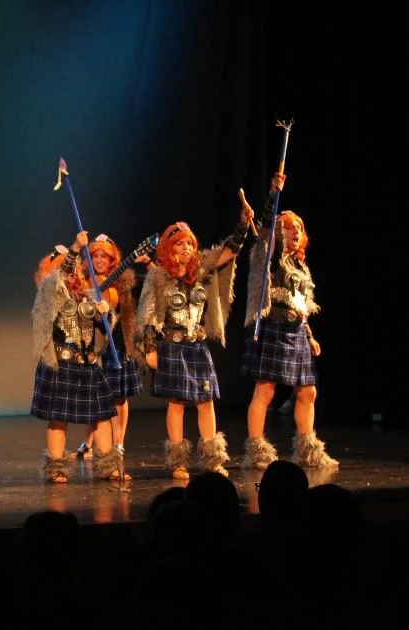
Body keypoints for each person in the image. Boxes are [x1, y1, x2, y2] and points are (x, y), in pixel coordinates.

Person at [134, 209, 250, 479]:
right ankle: (177, 462)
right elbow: (147, 313)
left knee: (205, 401)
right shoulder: (158, 276)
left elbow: (227, 252)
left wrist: (243, 225)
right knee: (176, 403)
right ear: (169, 247)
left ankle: (212, 459)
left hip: (197, 346)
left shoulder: (200, 269)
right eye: (180, 244)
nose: (187, 248)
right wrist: (150, 348)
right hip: (172, 346)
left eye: (190, 243)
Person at [241, 173, 337, 470]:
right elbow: (267, 231)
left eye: (299, 228)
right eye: (289, 227)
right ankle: (256, 451)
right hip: (274, 327)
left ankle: (308, 451)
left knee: (308, 391)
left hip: (296, 332)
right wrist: (273, 196)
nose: (295, 231)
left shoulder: (299, 266)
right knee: (266, 389)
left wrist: (309, 335)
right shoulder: (268, 257)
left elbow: (300, 305)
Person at [31, 233, 123, 483]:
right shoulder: (49, 292)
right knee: (58, 418)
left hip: (87, 364)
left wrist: (104, 314)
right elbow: (59, 276)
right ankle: (57, 468)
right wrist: (74, 248)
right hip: (61, 364)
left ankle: (108, 466)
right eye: (65, 266)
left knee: (102, 416)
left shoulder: (86, 295)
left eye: (74, 266)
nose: (72, 271)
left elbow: (102, 332)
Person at [75, 233, 148, 463]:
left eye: (104, 256)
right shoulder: (83, 280)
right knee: (95, 396)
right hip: (94, 343)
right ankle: (88, 441)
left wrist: (149, 263)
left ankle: (118, 443)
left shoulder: (123, 281)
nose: (99, 260)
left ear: (112, 259)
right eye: (95, 256)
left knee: (119, 397)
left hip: (117, 342)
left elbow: (147, 292)